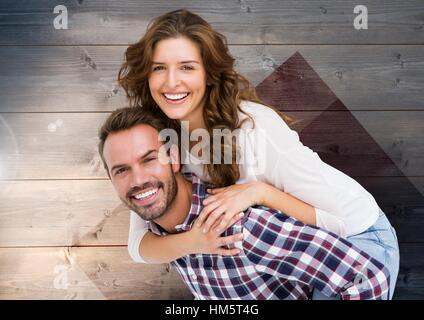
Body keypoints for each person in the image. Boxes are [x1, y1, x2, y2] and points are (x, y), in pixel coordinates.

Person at [117, 9, 399, 299]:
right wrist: (194, 242)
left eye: (187, 67)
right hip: (298, 252)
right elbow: (139, 245)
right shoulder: (159, 137)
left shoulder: (255, 128)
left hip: (358, 239)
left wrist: (259, 192)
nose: (171, 82)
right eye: (159, 67)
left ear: (209, 74)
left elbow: (334, 224)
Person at [98, 106, 390, 300]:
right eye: (121, 170)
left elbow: (368, 279)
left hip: (359, 226)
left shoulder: (241, 229)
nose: (138, 179)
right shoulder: (163, 226)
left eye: (149, 159)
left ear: (175, 159)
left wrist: (261, 192)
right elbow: (139, 246)